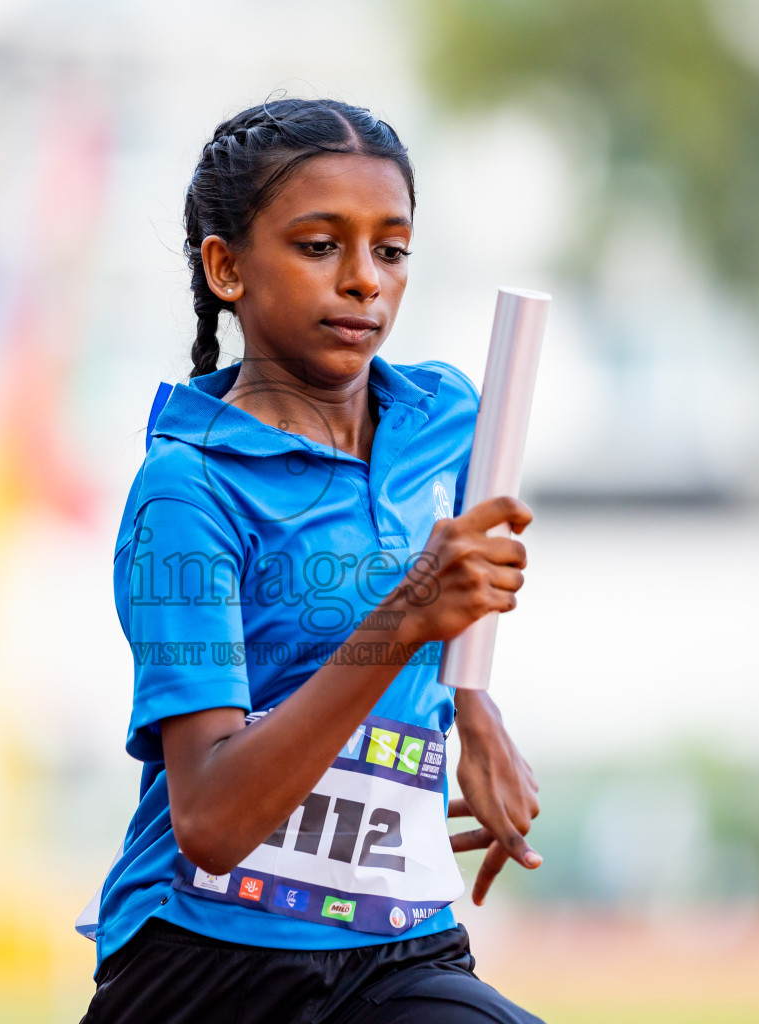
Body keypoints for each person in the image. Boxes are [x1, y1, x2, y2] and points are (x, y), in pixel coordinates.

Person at [82, 99, 545, 1024]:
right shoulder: (188, 492)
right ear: (226, 268)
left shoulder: (449, 422)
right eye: (320, 245)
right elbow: (211, 820)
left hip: (395, 942)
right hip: (212, 962)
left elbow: (442, 602)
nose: (365, 280)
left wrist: (472, 700)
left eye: (393, 248)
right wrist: (405, 617)